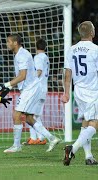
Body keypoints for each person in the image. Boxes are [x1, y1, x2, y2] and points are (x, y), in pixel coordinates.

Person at [0, 34, 60, 153]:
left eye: (8, 41)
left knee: (16, 115)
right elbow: (23, 76)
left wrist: (6, 85)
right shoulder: (21, 54)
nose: (7, 44)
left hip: (31, 89)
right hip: (33, 88)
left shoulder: (22, 55)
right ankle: (52, 138)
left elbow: (23, 76)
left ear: (15, 43)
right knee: (29, 118)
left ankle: (16, 145)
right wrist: (9, 88)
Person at [62, 21, 98, 166]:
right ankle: (73, 149)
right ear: (91, 33)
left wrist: (66, 93)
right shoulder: (95, 50)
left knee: (85, 122)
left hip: (78, 91)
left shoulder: (71, 50)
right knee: (94, 123)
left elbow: (67, 74)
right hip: (92, 91)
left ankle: (89, 157)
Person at [23, 38, 49, 145]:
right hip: (44, 88)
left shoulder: (38, 57)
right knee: (35, 115)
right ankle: (39, 138)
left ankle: (36, 138)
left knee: (30, 114)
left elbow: (39, 71)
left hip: (37, 89)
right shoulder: (46, 57)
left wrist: (31, 83)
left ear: (36, 47)